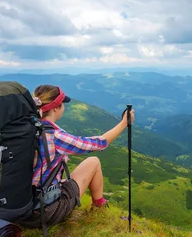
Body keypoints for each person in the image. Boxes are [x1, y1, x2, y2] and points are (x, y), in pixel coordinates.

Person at [17, 84, 135, 228]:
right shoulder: (54, 135)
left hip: (19, 207)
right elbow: (99, 143)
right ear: (56, 107)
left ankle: (97, 207)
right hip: (44, 211)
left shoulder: (24, 128)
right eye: (63, 104)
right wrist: (124, 123)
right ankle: (99, 209)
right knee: (94, 162)